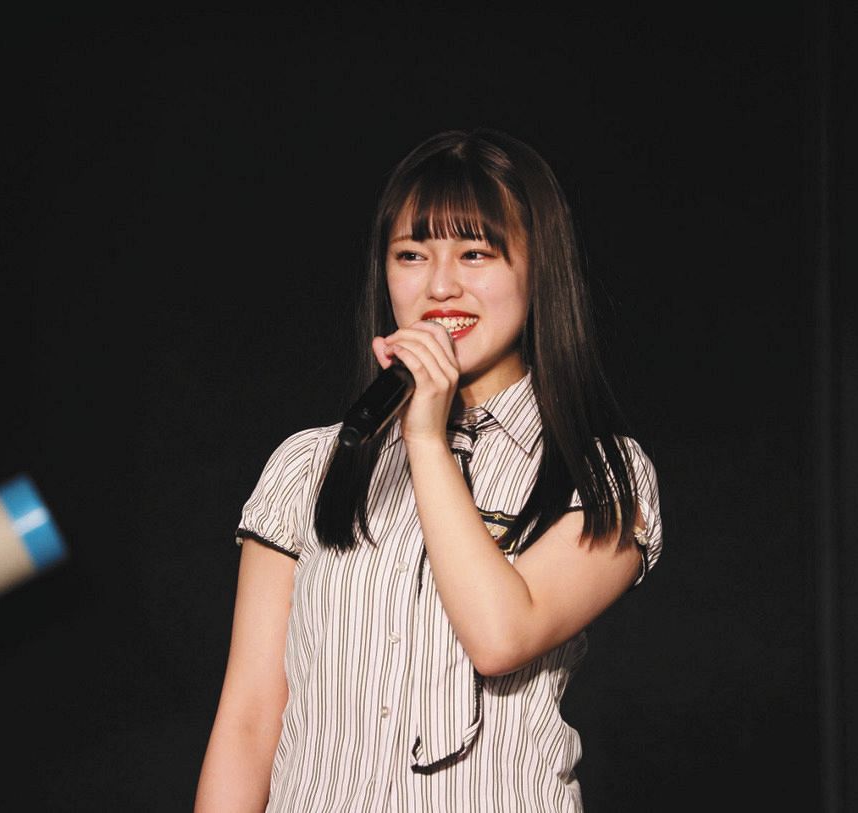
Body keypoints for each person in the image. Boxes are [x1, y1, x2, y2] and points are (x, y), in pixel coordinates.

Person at [194, 128, 662, 812]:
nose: (441, 286)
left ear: (539, 268)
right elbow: (248, 718)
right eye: (412, 254)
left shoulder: (604, 475)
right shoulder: (310, 464)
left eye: (476, 253)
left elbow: (500, 636)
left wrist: (425, 438)